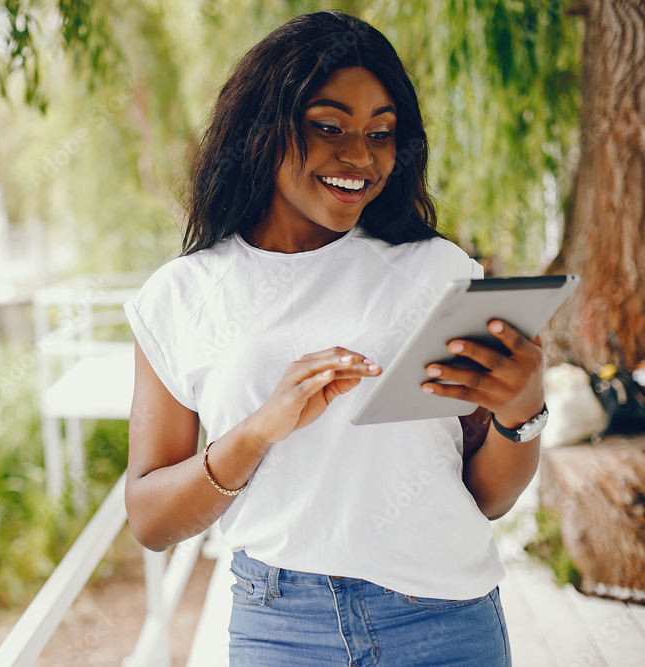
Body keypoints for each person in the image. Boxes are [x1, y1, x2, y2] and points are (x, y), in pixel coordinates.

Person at [122, 10, 547, 666]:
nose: (360, 158)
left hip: (445, 623)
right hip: (280, 626)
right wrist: (260, 428)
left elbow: (487, 496)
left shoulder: (438, 270)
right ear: (262, 127)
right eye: (329, 127)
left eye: (382, 133)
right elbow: (151, 519)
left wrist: (523, 411)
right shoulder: (181, 296)